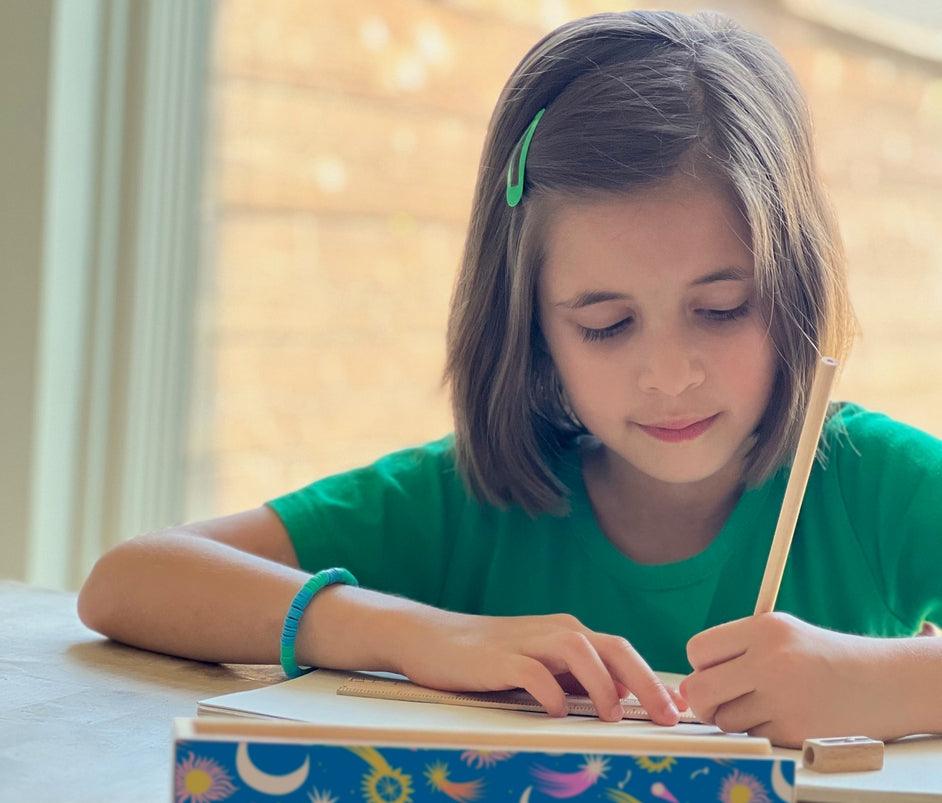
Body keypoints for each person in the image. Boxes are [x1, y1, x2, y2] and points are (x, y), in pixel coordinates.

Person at [78, 9, 942, 748]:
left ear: (793, 287)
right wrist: (414, 634)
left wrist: (886, 684)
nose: (671, 375)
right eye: (605, 325)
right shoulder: (469, 504)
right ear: (532, 329)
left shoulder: (879, 486)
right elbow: (130, 580)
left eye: (721, 309)